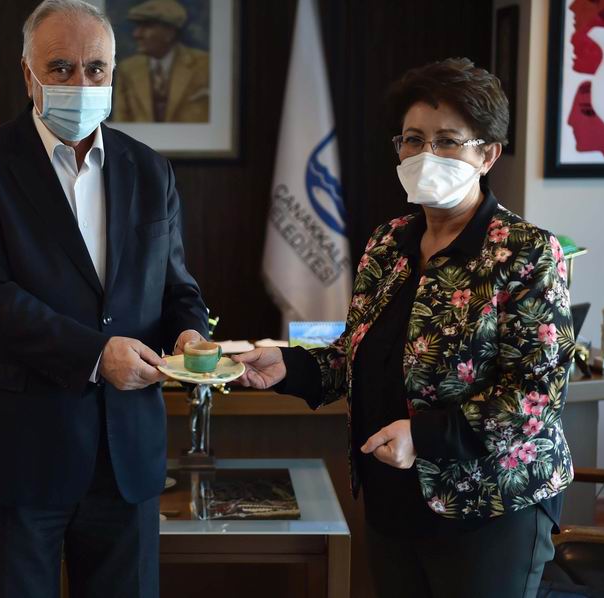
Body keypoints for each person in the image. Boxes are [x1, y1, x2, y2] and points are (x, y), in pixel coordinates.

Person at [233, 58, 575, 598]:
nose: (425, 155)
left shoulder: (526, 251)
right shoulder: (388, 242)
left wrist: (425, 436)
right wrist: (287, 366)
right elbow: (354, 354)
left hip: (487, 506)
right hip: (392, 496)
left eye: (447, 141)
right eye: (413, 140)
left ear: (488, 155)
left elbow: (536, 396)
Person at [0, 1, 209, 596]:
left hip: (125, 455)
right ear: (27, 74)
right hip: (18, 453)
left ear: (113, 71)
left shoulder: (150, 170)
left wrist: (190, 333)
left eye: (96, 68)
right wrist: (95, 354)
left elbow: (177, 288)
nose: (81, 84)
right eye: (60, 68)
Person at [112, 0, 209, 123]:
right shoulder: (127, 69)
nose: (137, 34)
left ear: (170, 33)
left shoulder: (204, 65)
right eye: (137, 26)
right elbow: (121, 119)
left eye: (146, 26)